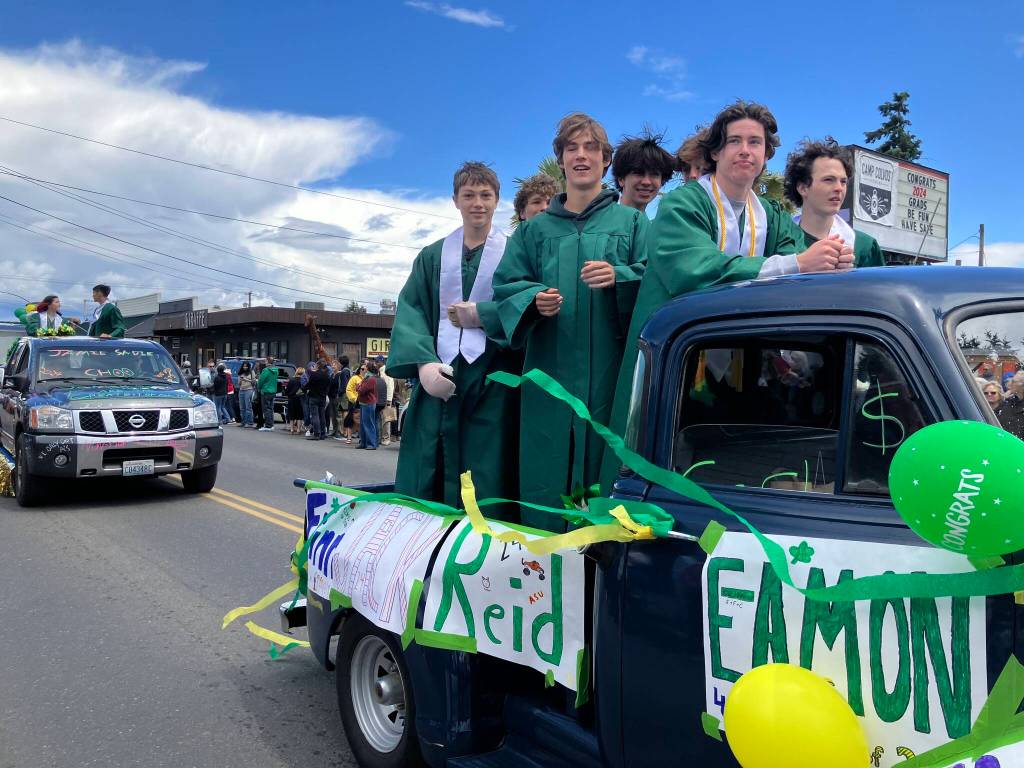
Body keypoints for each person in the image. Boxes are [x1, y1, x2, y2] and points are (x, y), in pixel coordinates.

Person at [604, 101, 853, 489]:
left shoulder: (770, 214)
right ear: (716, 152)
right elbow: (692, 270)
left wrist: (829, 262)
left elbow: (795, 266)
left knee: (724, 470)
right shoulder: (683, 203)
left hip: (743, 367)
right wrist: (797, 264)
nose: (745, 150)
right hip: (673, 363)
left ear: (767, 155)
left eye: (755, 142)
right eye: (734, 141)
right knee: (654, 474)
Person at [491, 113, 648, 524]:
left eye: (591, 148)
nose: (582, 156)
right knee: (548, 467)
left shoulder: (630, 222)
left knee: (607, 466)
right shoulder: (534, 232)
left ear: (605, 160)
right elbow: (506, 286)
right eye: (572, 148)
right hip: (550, 374)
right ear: (560, 159)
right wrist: (532, 299)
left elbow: (656, 281)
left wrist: (621, 276)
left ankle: (603, 572)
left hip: (610, 376)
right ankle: (544, 572)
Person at [387, 161, 520, 513]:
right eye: (469, 195)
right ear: (455, 201)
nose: (478, 203)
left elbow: (523, 311)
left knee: (487, 474)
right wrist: (423, 364)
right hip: (438, 386)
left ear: (497, 201)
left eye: (486, 195)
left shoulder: (514, 255)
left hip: (492, 386)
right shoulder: (432, 257)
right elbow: (411, 310)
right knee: (429, 472)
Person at [783, 138, 885, 267]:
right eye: (828, 180)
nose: (839, 188)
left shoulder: (865, 247)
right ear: (803, 188)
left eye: (843, 181)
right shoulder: (779, 240)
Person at [611, 130, 676, 212]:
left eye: (654, 174)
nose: (647, 182)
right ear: (621, 179)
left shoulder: (655, 224)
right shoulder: (602, 221)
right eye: (638, 173)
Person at [304, 360, 330, 440]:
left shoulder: (314, 374)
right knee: (322, 415)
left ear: (318, 366)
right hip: (322, 397)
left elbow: (309, 384)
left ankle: (316, 434)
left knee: (315, 415)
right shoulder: (326, 375)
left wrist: (303, 389)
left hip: (314, 397)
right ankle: (323, 433)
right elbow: (328, 386)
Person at [356, 361, 379, 450]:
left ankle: (371, 444)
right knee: (363, 424)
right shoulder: (367, 377)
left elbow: (362, 390)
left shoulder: (371, 378)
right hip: (364, 403)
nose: (363, 369)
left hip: (368, 403)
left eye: (364, 367)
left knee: (369, 424)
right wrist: (359, 387)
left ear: (368, 368)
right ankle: (363, 443)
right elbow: (359, 387)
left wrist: (358, 387)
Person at [343, 362, 364, 445]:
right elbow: (348, 389)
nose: (364, 370)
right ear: (359, 370)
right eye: (362, 369)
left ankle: (361, 437)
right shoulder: (354, 378)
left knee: (360, 420)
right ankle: (349, 437)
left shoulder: (367, 378)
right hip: (354, 402)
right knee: (350, 419)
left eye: (365, 369)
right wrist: (353, 398)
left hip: (363, 402)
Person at [332, 356, 352, 440]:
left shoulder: (344, 371)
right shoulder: (348, 370)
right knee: (345, 412)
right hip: (347, 394)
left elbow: (344, 384)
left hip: (343, 395)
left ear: (341, 363)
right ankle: (346, 432)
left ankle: (342, 432)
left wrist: (339, 393)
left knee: (341, 413)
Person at [257, 356, 278, 432]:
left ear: (268, 362)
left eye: (265, 361)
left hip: (266, 391)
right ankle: (271, 424)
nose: (265, 362)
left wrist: (259, 387)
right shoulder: (276, 370)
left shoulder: (265, 370)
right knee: (271, 408)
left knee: (266, 409)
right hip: (273, 391)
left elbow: (261, 380)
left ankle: (268, 425)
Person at [236, 361, 257, 427]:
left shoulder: (251, 372)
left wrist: (246, 380)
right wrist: (240, 380)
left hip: (249, 390)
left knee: (248, 407)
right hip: (241, 390)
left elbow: (254, 382)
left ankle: (250, 422)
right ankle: (243, 422)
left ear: (248, 366)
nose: (245, 367)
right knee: (242, 407)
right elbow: (239, 384)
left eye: (246, 366)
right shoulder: (240, 373)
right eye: (244, 366)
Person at [286, 367, 305, 434]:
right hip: (300, 399)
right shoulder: (303, 380)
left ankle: (291, 429)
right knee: (299, 415)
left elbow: (287, 390)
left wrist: (288, 395)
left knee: (292, 415)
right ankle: (298, 429)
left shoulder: (291, 380)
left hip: (291, 399)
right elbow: (303, 390)